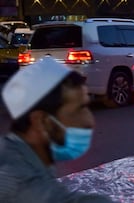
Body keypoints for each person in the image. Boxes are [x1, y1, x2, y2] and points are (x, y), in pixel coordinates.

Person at [0, 56, 115, 203]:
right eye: (80, 109)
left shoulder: (18, 155)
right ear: (41, 121)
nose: (90, 122)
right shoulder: (21, 185)